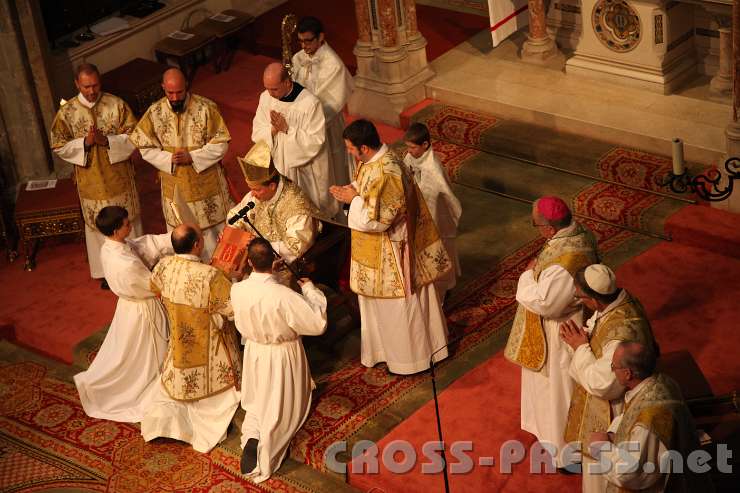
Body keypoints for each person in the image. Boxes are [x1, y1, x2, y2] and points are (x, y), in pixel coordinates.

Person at [330, 119, 451, 375]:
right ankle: (383, 351)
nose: (350, 153)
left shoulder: (388, 172)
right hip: (375, 249)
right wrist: (350, 190)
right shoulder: (373, 161)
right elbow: (366, 189)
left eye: (351, 148)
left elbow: (377, 220)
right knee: (377, 306)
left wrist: (353, 202)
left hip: (393, 252)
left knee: (398, 307)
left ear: (364, 147)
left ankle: (410, 359)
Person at [504, 196, 599, 469]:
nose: (537, 230)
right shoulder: (580, 233)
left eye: (536, 225)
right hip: (564, 323)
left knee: (559, 390)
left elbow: (548, 305)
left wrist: (526, 276)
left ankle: (565, 452)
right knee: (549, 389)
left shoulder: (565, 261)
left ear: (549, 228)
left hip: (561, 331)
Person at [231, 238, 327, 481]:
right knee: (282, 407)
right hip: (283, 355)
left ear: (250, 262)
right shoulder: (282, 295)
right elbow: (317, 324)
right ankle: (268, 449)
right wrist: (310, 289)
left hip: (254, 351)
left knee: (257, 401)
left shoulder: (238, 289)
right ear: (274, 260)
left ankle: (253, 435)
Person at [140, 224, 241, 453]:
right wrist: (231, 280)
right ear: (197, 244)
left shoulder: (164, 265)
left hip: (179, 341)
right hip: (210, 348)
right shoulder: (211, 275)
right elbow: (233, 309)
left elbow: (154, 287)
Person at [560, 263, 658, 483]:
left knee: (602, 474)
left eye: (581, 297)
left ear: (594, 300)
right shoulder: (622, 301)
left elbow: (603, 383)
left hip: (615, 409)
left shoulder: (620, 334)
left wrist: (580, 348)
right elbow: (600, 325)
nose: (580, 302)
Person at [73, 206, 172, 422]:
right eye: (127, 224)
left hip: (129, 307)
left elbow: (141, 246)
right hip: (143, 310)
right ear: (117, 230)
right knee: (145, 356)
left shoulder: (112, 246)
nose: (131, 226)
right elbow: (153, 285)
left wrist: (170, 240)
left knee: (130, 351)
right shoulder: (124, 264)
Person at [50, 63, 140, 285]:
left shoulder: (115, 104)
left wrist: (107, 141)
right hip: (91, 179)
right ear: (77, 84)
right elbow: (58, 145)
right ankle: (106, 273)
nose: (92, 91)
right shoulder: (67, 113)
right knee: (98, 224)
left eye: (95, 85)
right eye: (86, 86)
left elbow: (136, 135)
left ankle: (136, 264)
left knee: (127, 221)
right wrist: (85, 143)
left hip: (118, 177)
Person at [130, 68, 233, 260]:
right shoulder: (155, 112)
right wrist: (167, 159)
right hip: (174, 184)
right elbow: (143, 146)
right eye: (170, 93)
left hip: (205, 184)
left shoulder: (206, 108)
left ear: (187, 86)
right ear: (163, 88)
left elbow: (222, 144)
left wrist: (193, 156)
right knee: (183, 234)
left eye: (179, 92)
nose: (175, 97)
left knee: (212, 236)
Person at [586, 342, 705, 492]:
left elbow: (631, 473)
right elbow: (630, 412)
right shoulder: (661, 382)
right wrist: (612, 435)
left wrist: (601, 448)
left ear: (627, 373)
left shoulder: (650, 418)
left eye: (613, 367)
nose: (613, 370)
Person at [252, 62, 340, 219]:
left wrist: (287, 129)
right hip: (278, 163)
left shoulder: (309, 104)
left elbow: (316, 141)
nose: (270, 93)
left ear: (287, 82)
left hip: (306, 169)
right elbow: (257, 131)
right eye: (267, 88)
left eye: (274, 89)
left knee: (310, 209)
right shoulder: (266, 98)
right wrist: (273, 130)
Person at [226, 141, 321, 265]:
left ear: (272, 186)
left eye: (257, 189)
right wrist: (231, 234)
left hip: (285, 267)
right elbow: (235, 216)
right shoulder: (258, 195)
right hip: (256, 261)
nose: (252, 194)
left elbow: (296, 246)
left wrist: (258, 248)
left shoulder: (296, 204)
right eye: (251, 189)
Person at [291, 16, 354, 186]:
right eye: (300, 41)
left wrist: (310, 120)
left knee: (332, 166)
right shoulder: (298, 58)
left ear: (321, 37)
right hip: (303, 123)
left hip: (327, 125)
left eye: (308, 41)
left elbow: (333, 103)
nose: (304, 46)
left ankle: (338, 205)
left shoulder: (333, 64)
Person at [403, 122, 462, 301]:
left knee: (439, 253)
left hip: (437, 220)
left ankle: (443, 291)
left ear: (425, 145)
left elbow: (447, 198)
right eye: (408, 147)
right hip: (417, 216)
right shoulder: (410, 158)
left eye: (413, 147)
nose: (409, 151)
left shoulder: (434, 168)